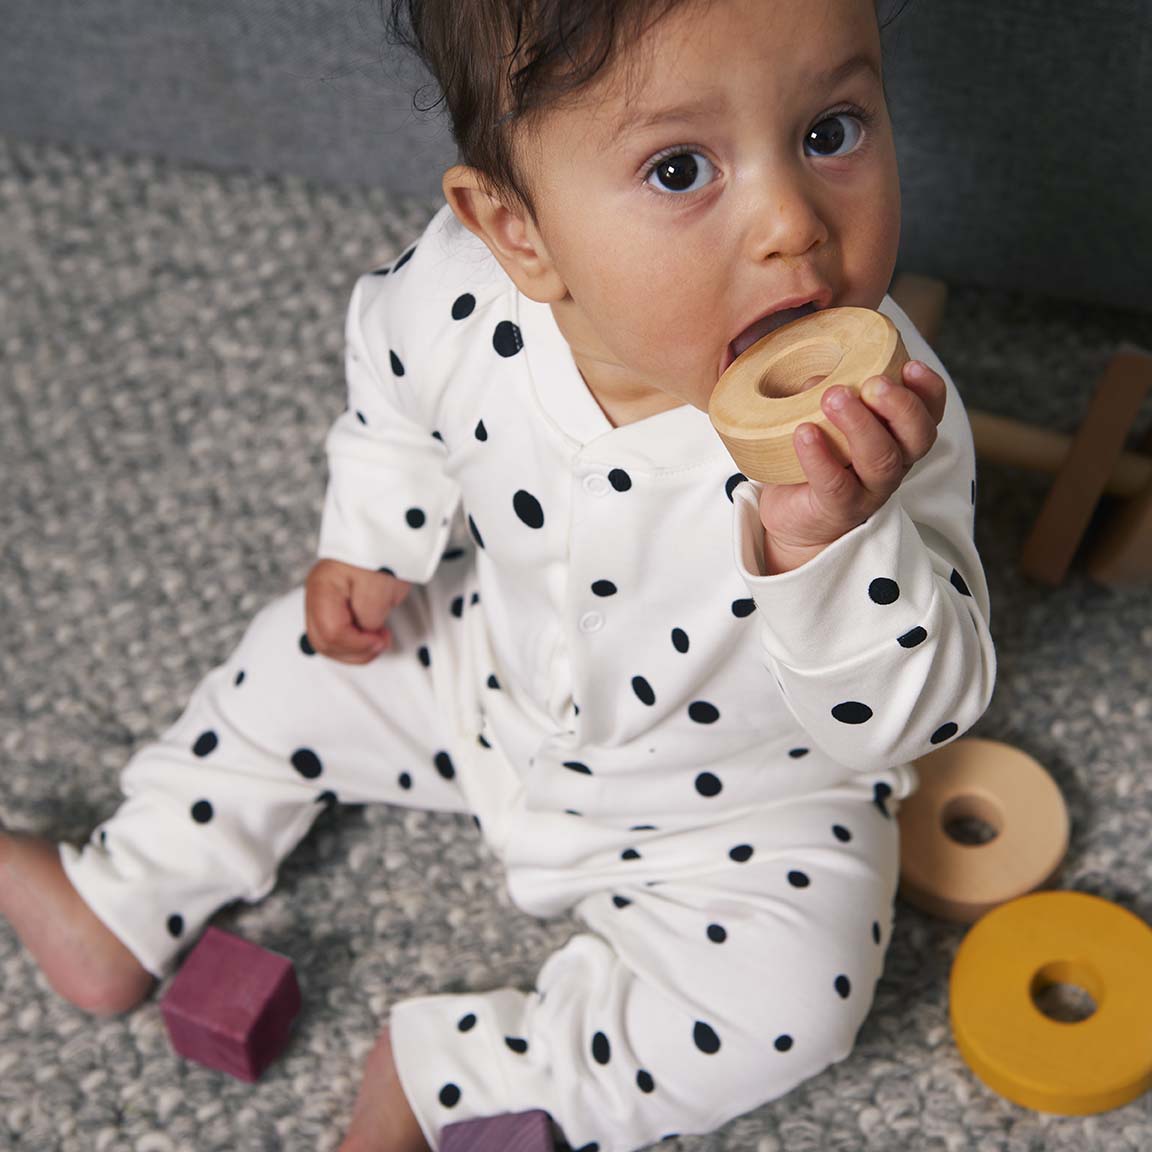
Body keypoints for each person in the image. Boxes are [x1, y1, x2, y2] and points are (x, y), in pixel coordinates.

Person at [0, 0, 997, 1149]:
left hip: (750, 809)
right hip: (488, 676)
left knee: (799, 1003)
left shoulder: (884, 424)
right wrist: (374, 535)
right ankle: (124, 893)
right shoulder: (465, 295)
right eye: (681, 167)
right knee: (293, 662)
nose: (791, 224)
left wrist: (833, 540)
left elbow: (912, 717)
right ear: (515, 229)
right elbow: (392, 379)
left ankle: (455, 1078)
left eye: (833, 130)